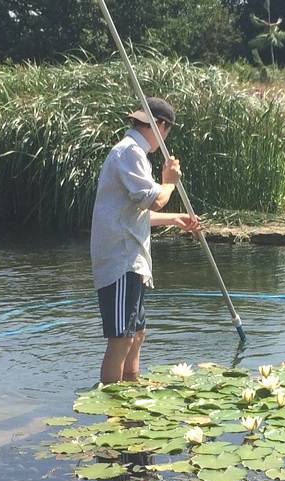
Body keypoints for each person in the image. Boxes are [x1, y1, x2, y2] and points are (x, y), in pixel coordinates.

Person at [90, 96, 202, 384]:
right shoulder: (129, 152)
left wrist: (177, 219)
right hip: (120, 261)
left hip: (133, 259)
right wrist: (169, 180)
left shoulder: (135, 154)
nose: (164, 138)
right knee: (121, 339)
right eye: (167, 131)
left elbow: (136, 213)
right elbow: (156, 201)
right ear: (161, 126)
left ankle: (132, 389)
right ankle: (112, 407)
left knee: (137, 335)